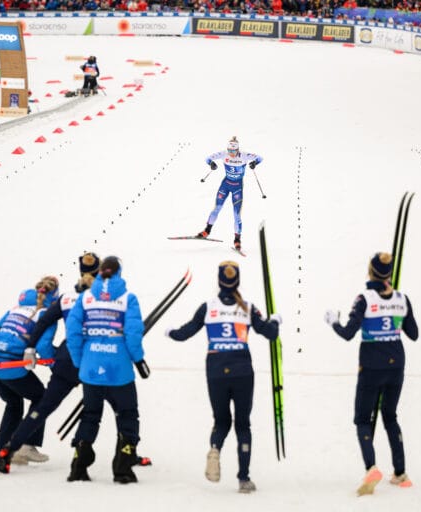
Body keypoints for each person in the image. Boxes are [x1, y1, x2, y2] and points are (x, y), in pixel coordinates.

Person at [164, 261, 281, 494]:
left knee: (221, 421)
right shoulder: (248, 308)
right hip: (242, 371)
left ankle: (215, 448)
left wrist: (170, 332)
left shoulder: (208, 307)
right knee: (242, 424)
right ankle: (244, 479)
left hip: (216, 370)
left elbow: (185, 333)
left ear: (219, 281)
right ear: (237, 281)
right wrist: (275, 320)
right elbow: (270, 333)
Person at [324, 253, 419, 496]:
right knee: (390, 415)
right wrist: (396, 310)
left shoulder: (364, 299)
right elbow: (413, 333)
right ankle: (400, 472)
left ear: (370, 272)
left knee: (363, 419)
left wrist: (333, 321)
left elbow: (347, 333)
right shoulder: (401, 298)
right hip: (396, 364)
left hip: (371, 366)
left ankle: (371, 468)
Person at [64, 256, 149, 484]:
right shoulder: (128, 299)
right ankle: (123, 467)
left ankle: (78, 464)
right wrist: (139, 360)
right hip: (118, 369)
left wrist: (79, 361)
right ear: (119, 272)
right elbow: (132, 334)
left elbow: (72, 332)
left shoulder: (85, 298)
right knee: (128, 415)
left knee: (90, 416)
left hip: (91, 369)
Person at [0, 276, 60, 467]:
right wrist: (55, 364)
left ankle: (4, 450)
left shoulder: (15, 308)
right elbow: (43, 345)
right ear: (55, 295)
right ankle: (27, 445)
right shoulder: (48, 313)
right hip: (9, 366)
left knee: (13, 402)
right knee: (41, 397)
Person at [197, 136, 263, 250]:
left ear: (237, 150)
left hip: (237, 187)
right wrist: (211, 163)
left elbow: (260, 158)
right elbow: (208, 158)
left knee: (236, 215)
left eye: (233, 151)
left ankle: (237, 240)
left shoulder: (244, 156)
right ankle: (206, 231)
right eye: (229, 151)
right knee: (216, 208)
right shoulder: (224, 154)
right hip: (225, 185)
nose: (231, 153)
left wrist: (255, 163)